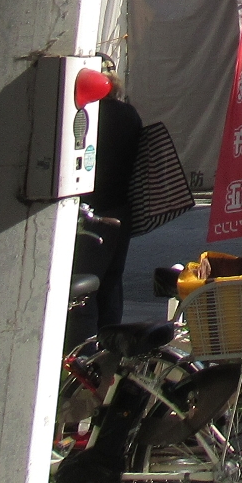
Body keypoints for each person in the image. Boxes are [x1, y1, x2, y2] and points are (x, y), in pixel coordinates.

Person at [88, 73, 143, 326]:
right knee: (112, 279)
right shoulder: (128, 114)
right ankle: (110, 344)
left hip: (92, 206)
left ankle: (82, 347)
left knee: (86, 281)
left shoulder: (86, 114)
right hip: (121, 205)